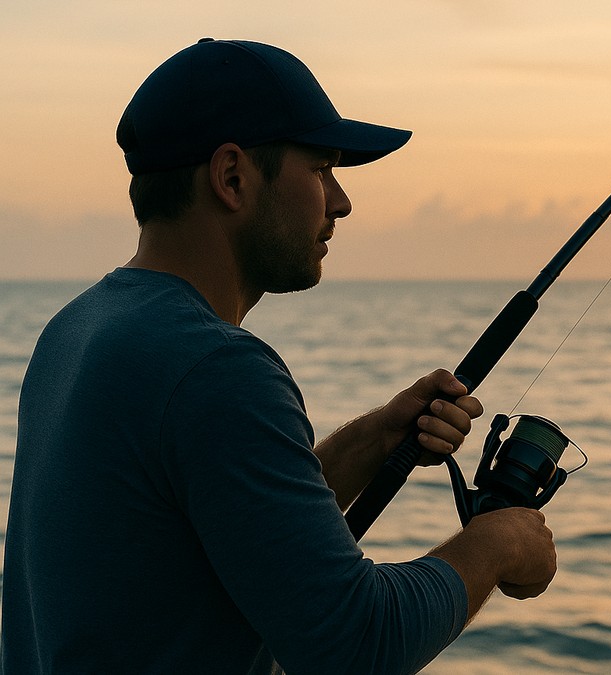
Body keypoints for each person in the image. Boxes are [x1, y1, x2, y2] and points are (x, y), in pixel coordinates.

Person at [0, 38, 557, 674]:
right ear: (232, 177)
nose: (341, 201)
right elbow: (354, 645)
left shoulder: (76, 332)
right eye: (321, 170)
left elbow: (224, 535)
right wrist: (499, 542)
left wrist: (377, 440)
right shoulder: (216, 370)